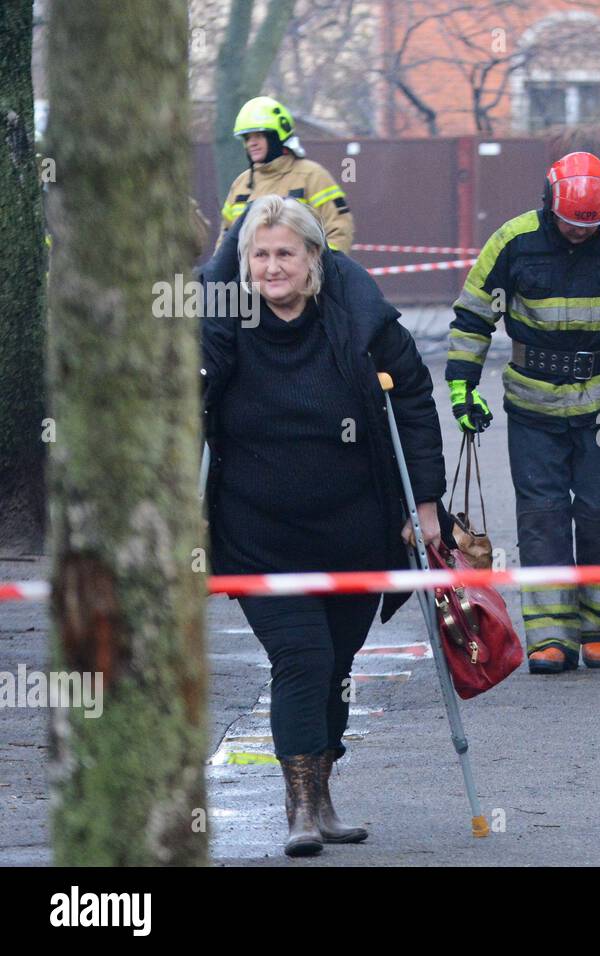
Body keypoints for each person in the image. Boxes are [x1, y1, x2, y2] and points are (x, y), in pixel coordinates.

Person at [200, 195, 453, 857]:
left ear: (314, 257)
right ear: (244, 262)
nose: (273, 266)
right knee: (303, 659)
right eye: (260, 254)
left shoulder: (359, 322)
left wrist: (425, 506)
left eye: (286, 253)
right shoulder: (225, 327)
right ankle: (300, 807)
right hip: (258, 534)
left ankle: (324, 792)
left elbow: (417, 403)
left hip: (354, 531)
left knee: (338, 663)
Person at [445, 152, 600, 674]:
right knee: (542, 517)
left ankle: (596, 626)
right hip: (532, 402)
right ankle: (550, 635)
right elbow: (474, 316)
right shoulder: (513, 241)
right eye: (570, 223)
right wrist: (462, 386)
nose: (579, 233)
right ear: (550, 207)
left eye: (590, 224)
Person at [218, 96, 354, 254]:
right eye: (247, 138)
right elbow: (225, 238)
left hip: (299, 277)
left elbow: (339, 230)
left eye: (258, 136)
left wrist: (320, 272)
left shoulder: (312, 176)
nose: (251, 143)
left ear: (277, 136)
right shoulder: (241, 184)